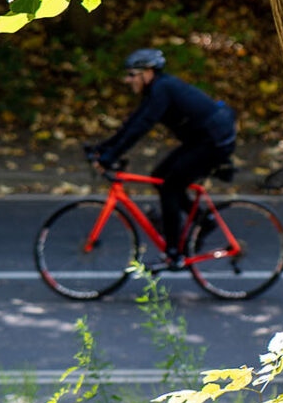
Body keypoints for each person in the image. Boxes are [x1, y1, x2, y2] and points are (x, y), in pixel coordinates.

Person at [88, 48, 236, 266]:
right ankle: (202, 222)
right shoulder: (157, 89)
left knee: (170, 187)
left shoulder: (162, 89)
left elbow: (142, 127)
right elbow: (133, 122)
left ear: (147, 73)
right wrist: (103, 148)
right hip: (202, 139)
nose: (127, 80)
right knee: (159, 176)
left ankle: (174, 252)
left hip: (214, 142)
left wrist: (110, 157)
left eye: (132, 74)